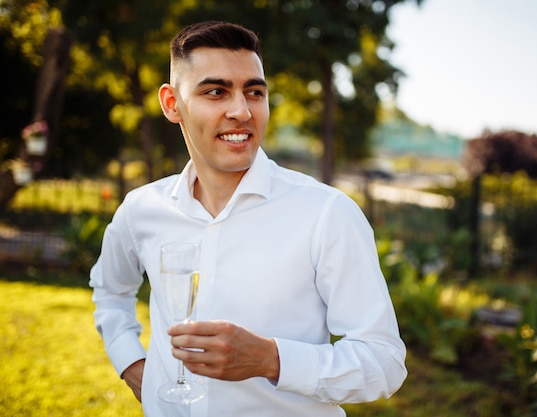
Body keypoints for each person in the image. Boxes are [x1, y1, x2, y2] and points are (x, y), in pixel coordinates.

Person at [89, 21, 407, 417]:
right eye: (216, 91)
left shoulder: (326, 213)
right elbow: (109, 290)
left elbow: (384, 363)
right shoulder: (142, 209)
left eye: (254, 92)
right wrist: (131, 364)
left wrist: (271, 359)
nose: (241, 111)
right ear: (172, 104)